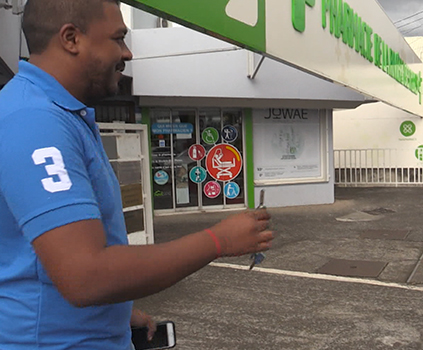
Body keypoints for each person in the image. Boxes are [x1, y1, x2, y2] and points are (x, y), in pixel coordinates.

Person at [0, 1, 274, 349]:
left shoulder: (60, 113)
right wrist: (218, 241)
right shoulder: (34, 122)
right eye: (117, 38)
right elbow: (84, 276)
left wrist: (118, 312)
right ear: (71, 38)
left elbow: (40, 256)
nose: (127, 52)